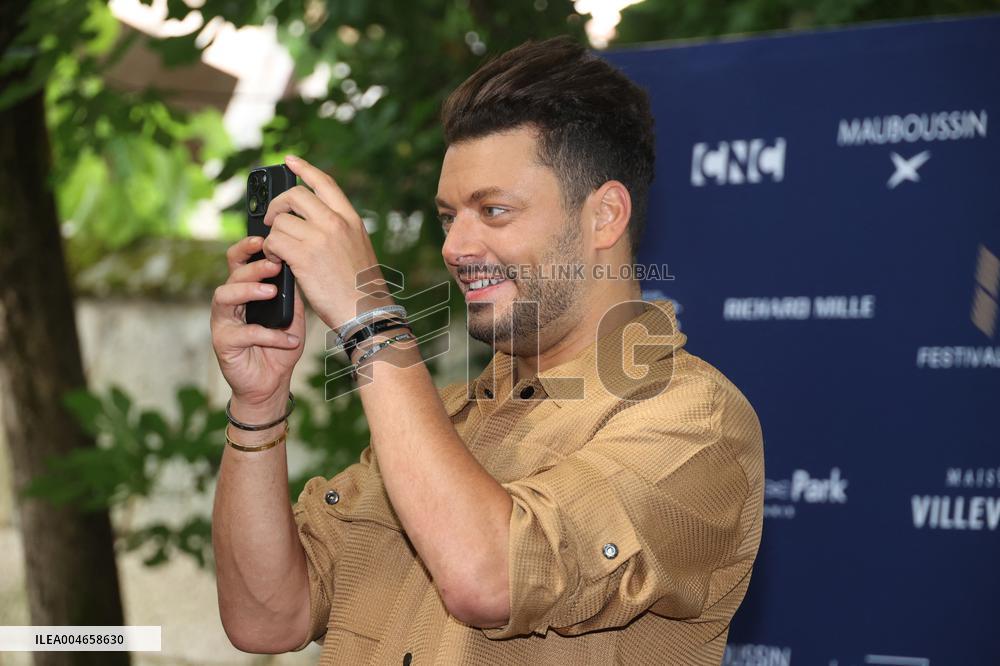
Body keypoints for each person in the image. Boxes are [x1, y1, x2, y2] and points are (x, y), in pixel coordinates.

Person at [209, 35, 763, 665]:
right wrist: (259, 402)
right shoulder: (437, 423)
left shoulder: (692, 420)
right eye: (449, 217)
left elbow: (488, 577)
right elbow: (267, 618)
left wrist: (371, 323)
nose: (456, 246)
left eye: (493, 211)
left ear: (605, 216)